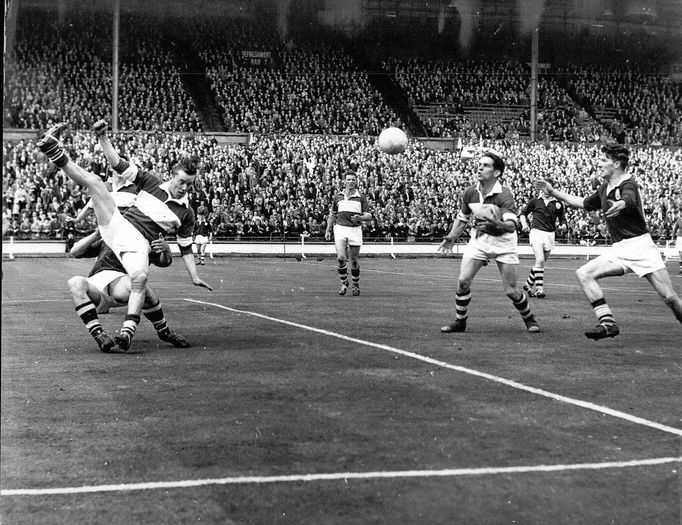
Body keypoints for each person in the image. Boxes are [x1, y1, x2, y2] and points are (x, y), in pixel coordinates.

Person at [37, 121, 211, 352]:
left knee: (140, 281)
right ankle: (54, 150)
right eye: (181, 182)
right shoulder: (151, 182)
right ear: (172, 176)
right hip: (119, 229)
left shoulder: (186, 213)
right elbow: (118, 164)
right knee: (96, 182)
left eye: (189, 184)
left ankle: (131, 331)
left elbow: (185, 249)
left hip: (137, 246)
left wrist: (194, 275)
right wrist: (102, 137)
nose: (184, 187)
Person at [534, 144, 682, 340]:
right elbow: (583, 203)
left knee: (670, 298)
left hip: (641, 247)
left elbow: (628, 199)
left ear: (617, 164)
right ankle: (608, 323)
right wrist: (553, 192)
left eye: (603, 160)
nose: (598, 163)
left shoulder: (628, 183)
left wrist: (621, 204)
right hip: (620, 248)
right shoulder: (604, 188)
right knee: (584, 273)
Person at [438, 149, 540, 333]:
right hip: (479, 241)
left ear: (496, 173)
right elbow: (462, 218)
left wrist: (495, 222)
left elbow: (511, 226)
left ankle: (529, 319)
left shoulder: (504, 195)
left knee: (511, 291)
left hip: (504, 244)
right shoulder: (470, 192)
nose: (480, 168)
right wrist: (452, 237)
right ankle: (460, 322)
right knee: (463, 282)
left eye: (486, 165)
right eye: (479, 164)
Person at [68, 230, 191, 352]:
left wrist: (166, 249)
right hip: (97, 283)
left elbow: (165, 262)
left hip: (121, 284)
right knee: (75, 282)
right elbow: (75, 252)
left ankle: (164, 331)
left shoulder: (145, 241)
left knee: (139, 283)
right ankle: (100, 335)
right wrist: (96, 234)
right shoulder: (109, 238)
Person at [325, 170, 371, 296]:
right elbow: (333, 215)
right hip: (340, 228)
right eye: (348, 179)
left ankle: (355, 285)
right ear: (344, 181)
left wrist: (360, 218)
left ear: (356, 182)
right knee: (341, 258)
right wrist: (328, 230)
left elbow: (369, 215)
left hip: (355, 230)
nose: (350, 182)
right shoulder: (338, 196)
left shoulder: (361, 197)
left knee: (354, 261)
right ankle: (344, 283)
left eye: (353, 180)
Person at [519, 178, 567, 298]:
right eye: (544, 187)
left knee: (539, 263)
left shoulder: (558, 203)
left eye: (548, 187)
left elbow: (562, 219)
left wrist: (563, 225)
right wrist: (524, 224)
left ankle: (528, 285)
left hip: (550, 234)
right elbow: (522, 214)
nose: (546, 189)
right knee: (540, 260)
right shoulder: (535, 201)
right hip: (536, 232)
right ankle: (539, 290)